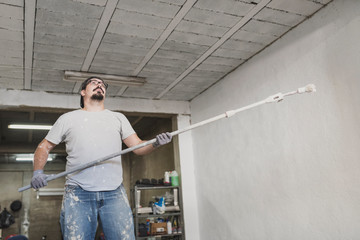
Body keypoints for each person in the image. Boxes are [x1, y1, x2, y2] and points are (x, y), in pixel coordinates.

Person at [30, 76, 172, 240]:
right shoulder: (68, 119)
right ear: (83, 91)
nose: (100, 85)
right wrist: (38, 172)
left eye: (102, 84)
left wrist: (155, 143)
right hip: (78, 192)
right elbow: (44, 147)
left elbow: (138, 146)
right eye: (94, 83)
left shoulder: (117, 118)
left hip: (114, 192)